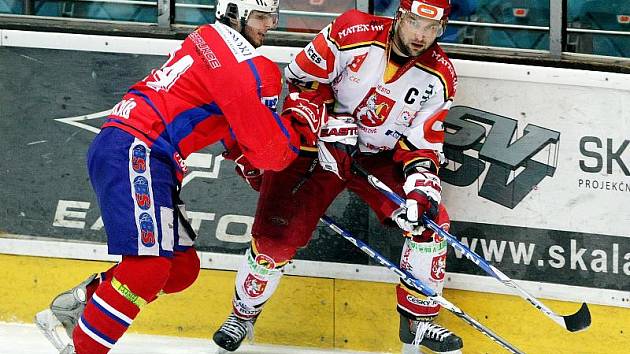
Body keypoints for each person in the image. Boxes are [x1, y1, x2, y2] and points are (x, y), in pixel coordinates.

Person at [33, 1, 327, 354]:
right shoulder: (251, 67)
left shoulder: (209, 37)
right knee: (149, 270)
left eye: (273, 16)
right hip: (137, 149)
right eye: (262, 16)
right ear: (235, 13)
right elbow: (270, 152)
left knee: (180, 269)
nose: (271, 24)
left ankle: (82, 301)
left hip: (143, 151)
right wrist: (297, 124)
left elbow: (228, 116)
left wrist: (244, 156)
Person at [213, 1, 463, 353]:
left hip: (376, 157)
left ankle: (418, 320)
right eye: (416, 24)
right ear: (400, 17)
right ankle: (243, 314)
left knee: (429, 222)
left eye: (432, 28)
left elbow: (421, 144)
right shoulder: (352, 31)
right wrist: (331, 123)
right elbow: (300, 79)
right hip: (315, 143)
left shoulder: (441, 75)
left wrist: (420, 186)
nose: (422, 36)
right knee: (275, 239)